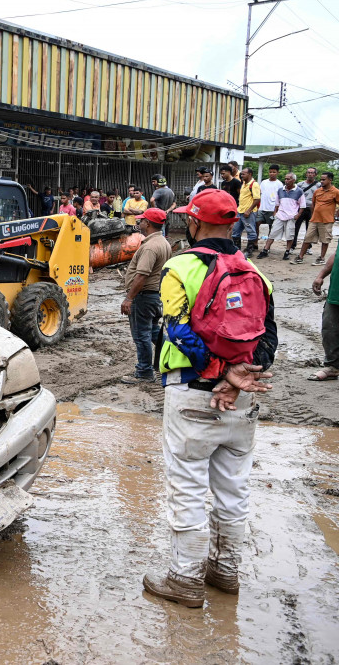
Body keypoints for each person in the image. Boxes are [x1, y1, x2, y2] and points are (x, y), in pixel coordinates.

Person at [143, 188, 276, 608]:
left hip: (193, 393)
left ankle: (185, 580)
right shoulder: (256, 272)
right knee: (234, 488)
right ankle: (225, 571)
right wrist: (236, 379)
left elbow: (177, 330)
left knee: (186, 485)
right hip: (243, 397)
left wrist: (218, 371)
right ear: (233, 224)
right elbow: (268, 339)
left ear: (194, 222)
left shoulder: (180, 266)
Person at [120, 208, 172, 384]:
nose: (139, 222)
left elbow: (142, 275)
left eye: (141, 220)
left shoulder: (150, 247)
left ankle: (144, 372)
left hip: (144, 296)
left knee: (141, 335)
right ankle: (173, 358)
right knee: (153, 330)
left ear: (148, 223)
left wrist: (129, 298)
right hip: (154, 295)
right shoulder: (163, 242)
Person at [293, 172, 339, 266]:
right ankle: (300, 257)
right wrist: (314, 213)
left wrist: (336, 214)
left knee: (325, 240)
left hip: (327, 220)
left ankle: (321, 258)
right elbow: (313, 204)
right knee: (307, 238)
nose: (321, 181)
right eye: (321, 179)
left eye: (324, 179)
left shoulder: (336, 192)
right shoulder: (317, 191)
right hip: (314, 219)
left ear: (330, 180)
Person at [258, 173, 304, 260]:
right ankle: (265, 250)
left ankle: (287, 252)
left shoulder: (299, 191)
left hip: (291, 216)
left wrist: (298, 215)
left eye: (288, 179)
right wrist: (275, 213)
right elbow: (277, 203)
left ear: (294, 180)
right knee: (272, 233)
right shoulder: (280, 190)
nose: (286, 180)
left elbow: (302, 205)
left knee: (289, 235)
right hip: (280, 215)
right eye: (285, 179)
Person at [310, 248, 338, 381]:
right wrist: (321, 275)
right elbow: (337, 254)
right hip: (336, 292)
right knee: (329, 329)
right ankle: (333, 366)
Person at [232, 168, 260, 256]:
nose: (242, 175)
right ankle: (237, 250)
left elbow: (257, 199)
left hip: (248, 212)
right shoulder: (243, 183)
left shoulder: (254, 184)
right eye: (241, 174)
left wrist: (249, 210)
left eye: (244, 174)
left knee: (250, 231)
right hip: (240, 211)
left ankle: (249, 251)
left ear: (250, 174)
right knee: (235, 231)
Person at [257, 164, 283, 237]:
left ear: (278, 173)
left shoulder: (279, 184)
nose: (272, 174)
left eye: (274, 172)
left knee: (271, 226)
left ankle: (269, 241)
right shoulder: (264, 182)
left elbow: (280, 198)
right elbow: (260, 193)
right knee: (257, 223)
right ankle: (255, 240)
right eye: (270, 172)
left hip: (272, 208)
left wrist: (276, 210)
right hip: (262, 208)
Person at [295, 168, 320, 244]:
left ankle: (308, 246)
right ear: (306, 174)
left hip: (312, 209)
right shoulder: (300, 184)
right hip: (300, 208)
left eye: (312, 173)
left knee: (310, 229)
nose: (310, 174)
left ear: (315, 174)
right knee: (295, 227)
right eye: (308, 172)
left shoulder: (319, 185)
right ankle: (292, 245)